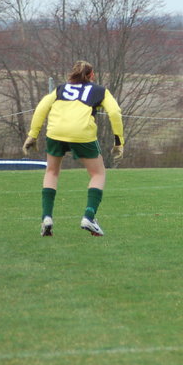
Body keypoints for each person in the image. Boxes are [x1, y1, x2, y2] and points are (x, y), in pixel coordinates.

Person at [22, 60, 124, 237]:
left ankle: (47, 218)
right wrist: (118, 141)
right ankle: (89, 217)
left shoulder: (60, 89)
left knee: (51, 172)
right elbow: (115, 112)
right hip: (82, 134)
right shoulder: (100, 90)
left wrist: (33, 135)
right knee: (98, 174)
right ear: (91, 75)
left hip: (55, 132)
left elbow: (41, 108)